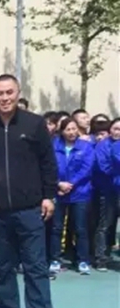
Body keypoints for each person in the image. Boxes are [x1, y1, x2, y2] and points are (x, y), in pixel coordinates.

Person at [0, 74, 58, 308]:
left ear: (18, 93)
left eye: (9, 92)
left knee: (36, 266)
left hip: (30, 209)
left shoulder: (34, 124)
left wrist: (49, 196)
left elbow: (48, 162)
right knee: (1, 265)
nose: (5, 98)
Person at [49, 117, 94, 275]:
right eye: (68, 129)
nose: (71, 132)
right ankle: (55, 259)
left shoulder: (86, 147)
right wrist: (59, 183)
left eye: (74, 129)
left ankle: (83, 261)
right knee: (56, 228)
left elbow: (87, 168)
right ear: (61, 131)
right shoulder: (54, 146)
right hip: (58, 192)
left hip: (80, 192)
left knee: (80, 228)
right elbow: (49, 166)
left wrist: (71, 184)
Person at [93, 118, 120, 271]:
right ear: (110, 130)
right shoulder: (103, 145)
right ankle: (101, 258)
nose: (118, 132)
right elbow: (104, 167)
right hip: (108, 191)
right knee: (105, 225)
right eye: (116, 128)